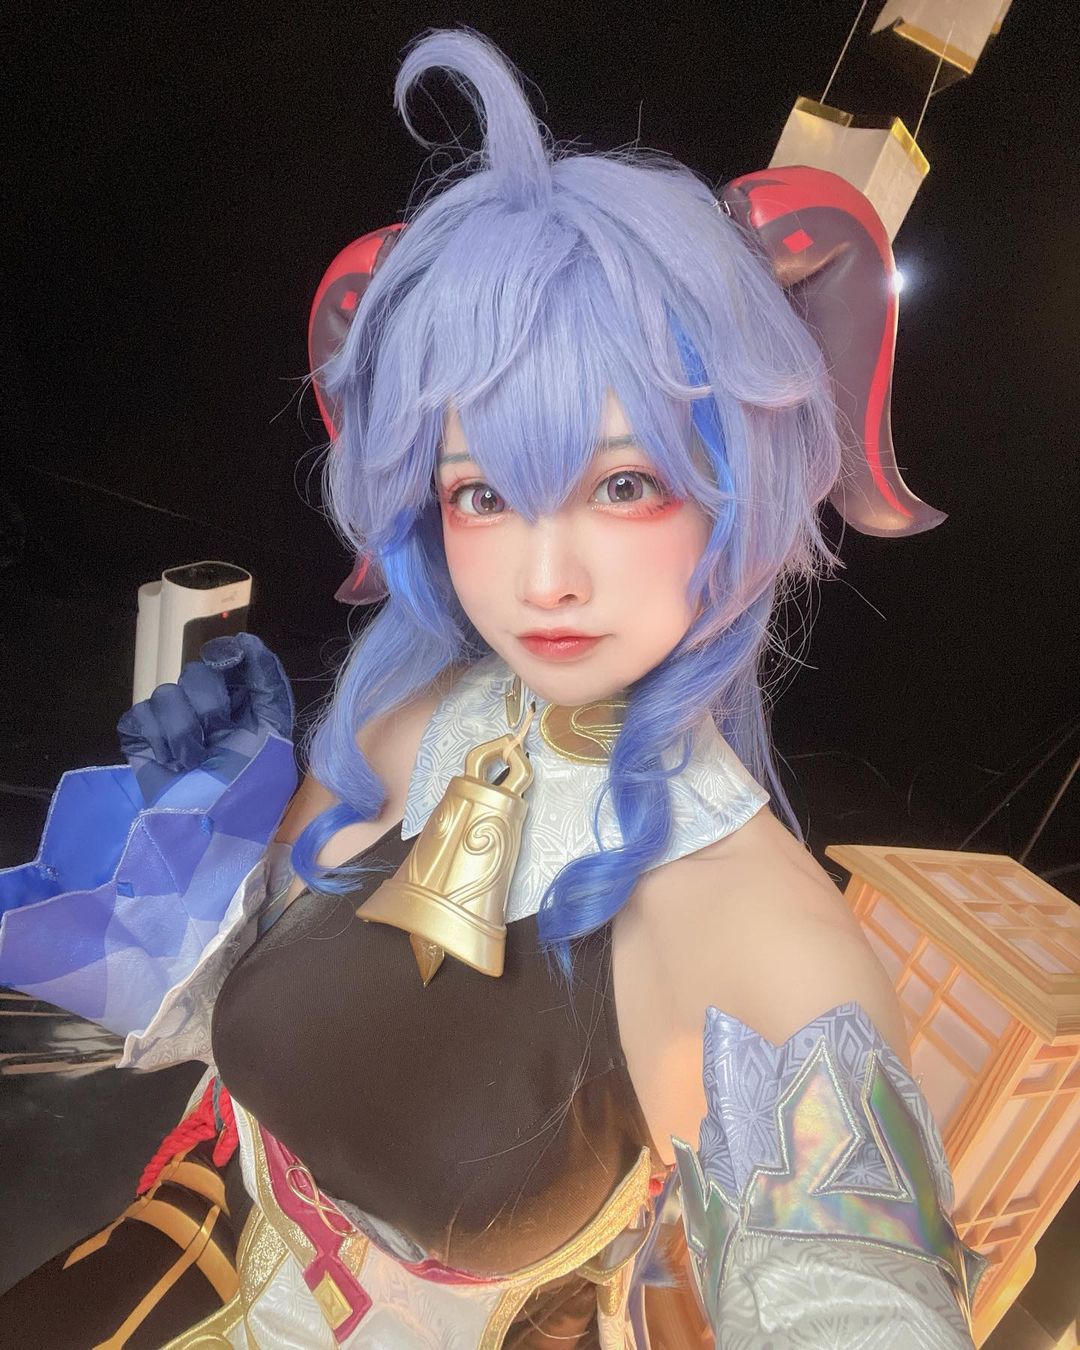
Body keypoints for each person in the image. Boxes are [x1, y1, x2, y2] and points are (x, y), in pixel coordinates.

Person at [0, 26, 985, 1349]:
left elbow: (851, 1303)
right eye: (483, 494)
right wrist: (207, 819)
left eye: (624, 483)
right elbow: (235, 995)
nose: (543, 579)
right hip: (206, 1254)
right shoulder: (413, 718)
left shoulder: (747, 927)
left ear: (739, 484)